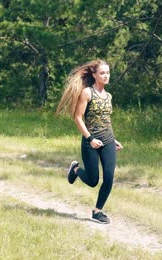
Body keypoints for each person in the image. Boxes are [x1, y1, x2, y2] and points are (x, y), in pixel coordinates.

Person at [56, 59, 123, 224]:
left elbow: (106, 121)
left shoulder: (109, 96)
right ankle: (76, 169)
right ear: (94, 75)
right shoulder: (87, 93)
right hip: (90, 141)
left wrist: (113, 140)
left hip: (107, 140)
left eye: (107, 72)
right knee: (93, 181)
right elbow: (78, 118)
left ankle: (97, 211)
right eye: (102, 73)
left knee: (109, 178)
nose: (106, 76)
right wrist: (90, 139)